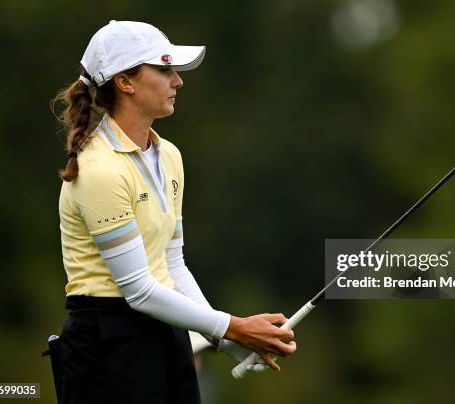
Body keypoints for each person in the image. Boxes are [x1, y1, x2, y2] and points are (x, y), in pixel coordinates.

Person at [51, 20, 296, 404]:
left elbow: (171, 264)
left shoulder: (168, 156)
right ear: (125, 82)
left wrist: (220, 339)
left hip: (166, 334)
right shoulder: (98, 169)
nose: (177, 81)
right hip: (107, 346)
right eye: (164, 69)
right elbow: (138, 290)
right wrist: (233, 327)